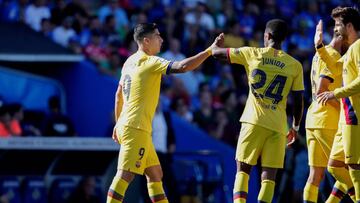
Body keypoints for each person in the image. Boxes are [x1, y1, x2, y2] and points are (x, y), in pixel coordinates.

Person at [106, 23, 220, 203]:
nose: (162, 39)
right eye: (158, 36)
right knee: (124, 175)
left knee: (155, 174)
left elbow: (118, 95)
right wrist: (208, 52)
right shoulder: (151, 61)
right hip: (137, 128)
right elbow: (182, 67)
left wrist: (117, 123)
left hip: (129, 125)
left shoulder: (129, 61)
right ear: (146, 41)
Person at [211, 19, 304, 203]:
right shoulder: (295, 65)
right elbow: (298, 101)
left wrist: (214, 46)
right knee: (269, 177)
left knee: (243, 170)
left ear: (266, 36)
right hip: (278, 127)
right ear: (283, 39)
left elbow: (216, 54)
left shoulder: (251, 53)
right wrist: (295, 127)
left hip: (253, 121)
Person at [303, 29, 355, 202]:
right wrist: (343, 108)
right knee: (346, 168)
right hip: (327, 120)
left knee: (315, 176)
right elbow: (321, 90)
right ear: (342, 38)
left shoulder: (319, 55)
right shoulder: (332, 56)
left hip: (312, 119)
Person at [316, 6, 360, 202]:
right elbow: (336, 66)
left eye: (338, 25)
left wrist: (335, 93)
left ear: (348, 26)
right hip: (345, 117)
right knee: (334, 166)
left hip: (354, 114)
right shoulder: (351, 50)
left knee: (353, 166)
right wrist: (319, 47)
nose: (335, 29)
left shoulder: (359, 47)